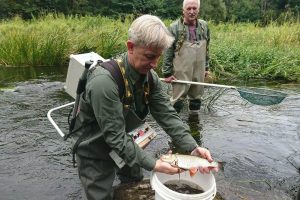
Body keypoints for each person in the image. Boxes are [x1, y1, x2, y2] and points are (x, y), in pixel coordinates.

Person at [72, 14, 218, 200]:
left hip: (128, 142)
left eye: (159, 57)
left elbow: (167, 115)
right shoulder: (104, 83)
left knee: (134, 185)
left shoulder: (150, 78)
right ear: (130, 47)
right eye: (150, 56)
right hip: (95, 149)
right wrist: (154, 164)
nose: (155, 64)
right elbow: (115, 137)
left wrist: (192, 147)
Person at [162, 0, 210, 113]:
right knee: (178, 99)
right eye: (189, 9)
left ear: (198, 10)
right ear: (183, 10)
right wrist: (167, 73)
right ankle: (173, 124)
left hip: (199, 68)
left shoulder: (204, 26)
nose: (192, 12)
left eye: (194, 8)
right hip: (181, 70)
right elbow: (168, 51)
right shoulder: (174, 27)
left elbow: (207, 48)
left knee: (196, 98)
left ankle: (194, 125)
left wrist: (206, 67)